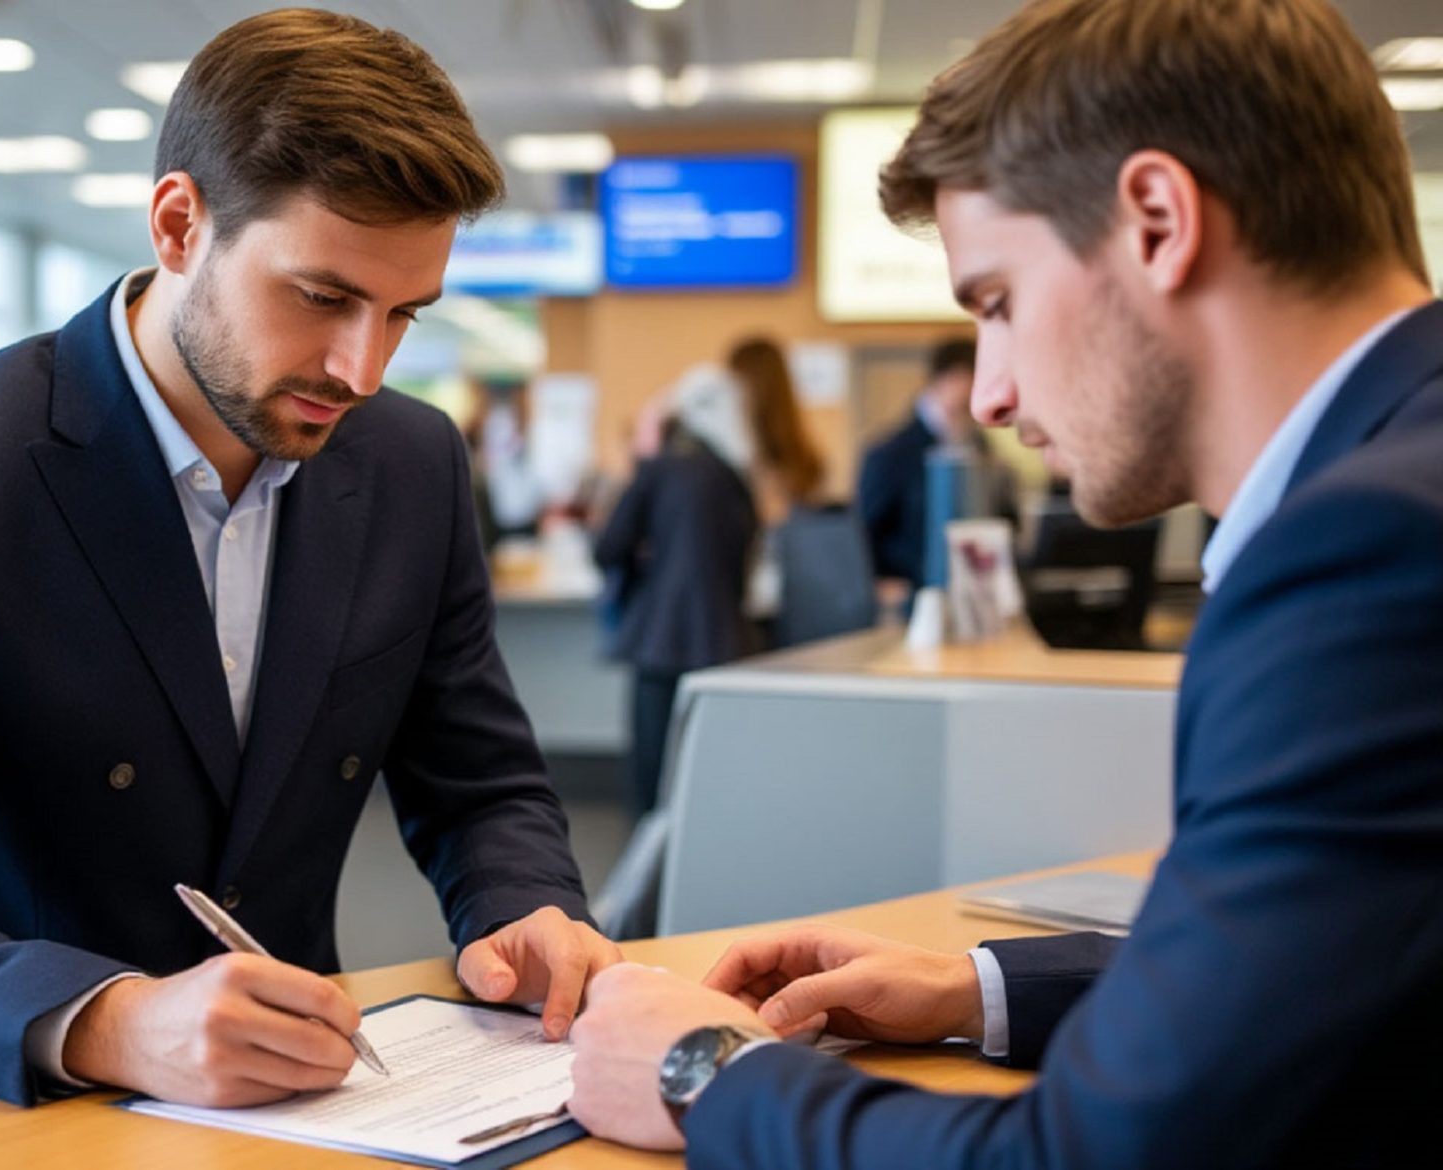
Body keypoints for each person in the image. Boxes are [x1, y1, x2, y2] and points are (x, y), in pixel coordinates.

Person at [565, 0, 1443, 1165]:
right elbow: (1327, 964)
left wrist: (705, 1076)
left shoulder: (1363, 556)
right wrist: (972, 987)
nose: (986, 394)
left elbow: (1093, 1157)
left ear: (1154, 221)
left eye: (995, 304)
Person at [0, 8, 618, 1112]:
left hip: (288, 1111)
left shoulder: (409, 462)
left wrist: (524, 910)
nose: (361, 368)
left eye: (403, 313)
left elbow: (480, 782)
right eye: (322, 297)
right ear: (176, 223)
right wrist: (109, 1019)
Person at [594, 339, 826, 816]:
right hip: (731, 643)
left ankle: (647, 889)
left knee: (653, 785)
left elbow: (606, 548)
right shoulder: (740, 478)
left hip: (661, 645)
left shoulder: (661, 470)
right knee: (711, 786)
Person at [856, 337, 1019, 601]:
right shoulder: (890, 453)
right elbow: (865, 532)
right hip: (912, 600)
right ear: (946, 379)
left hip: (974, 598)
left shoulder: (981, 448)